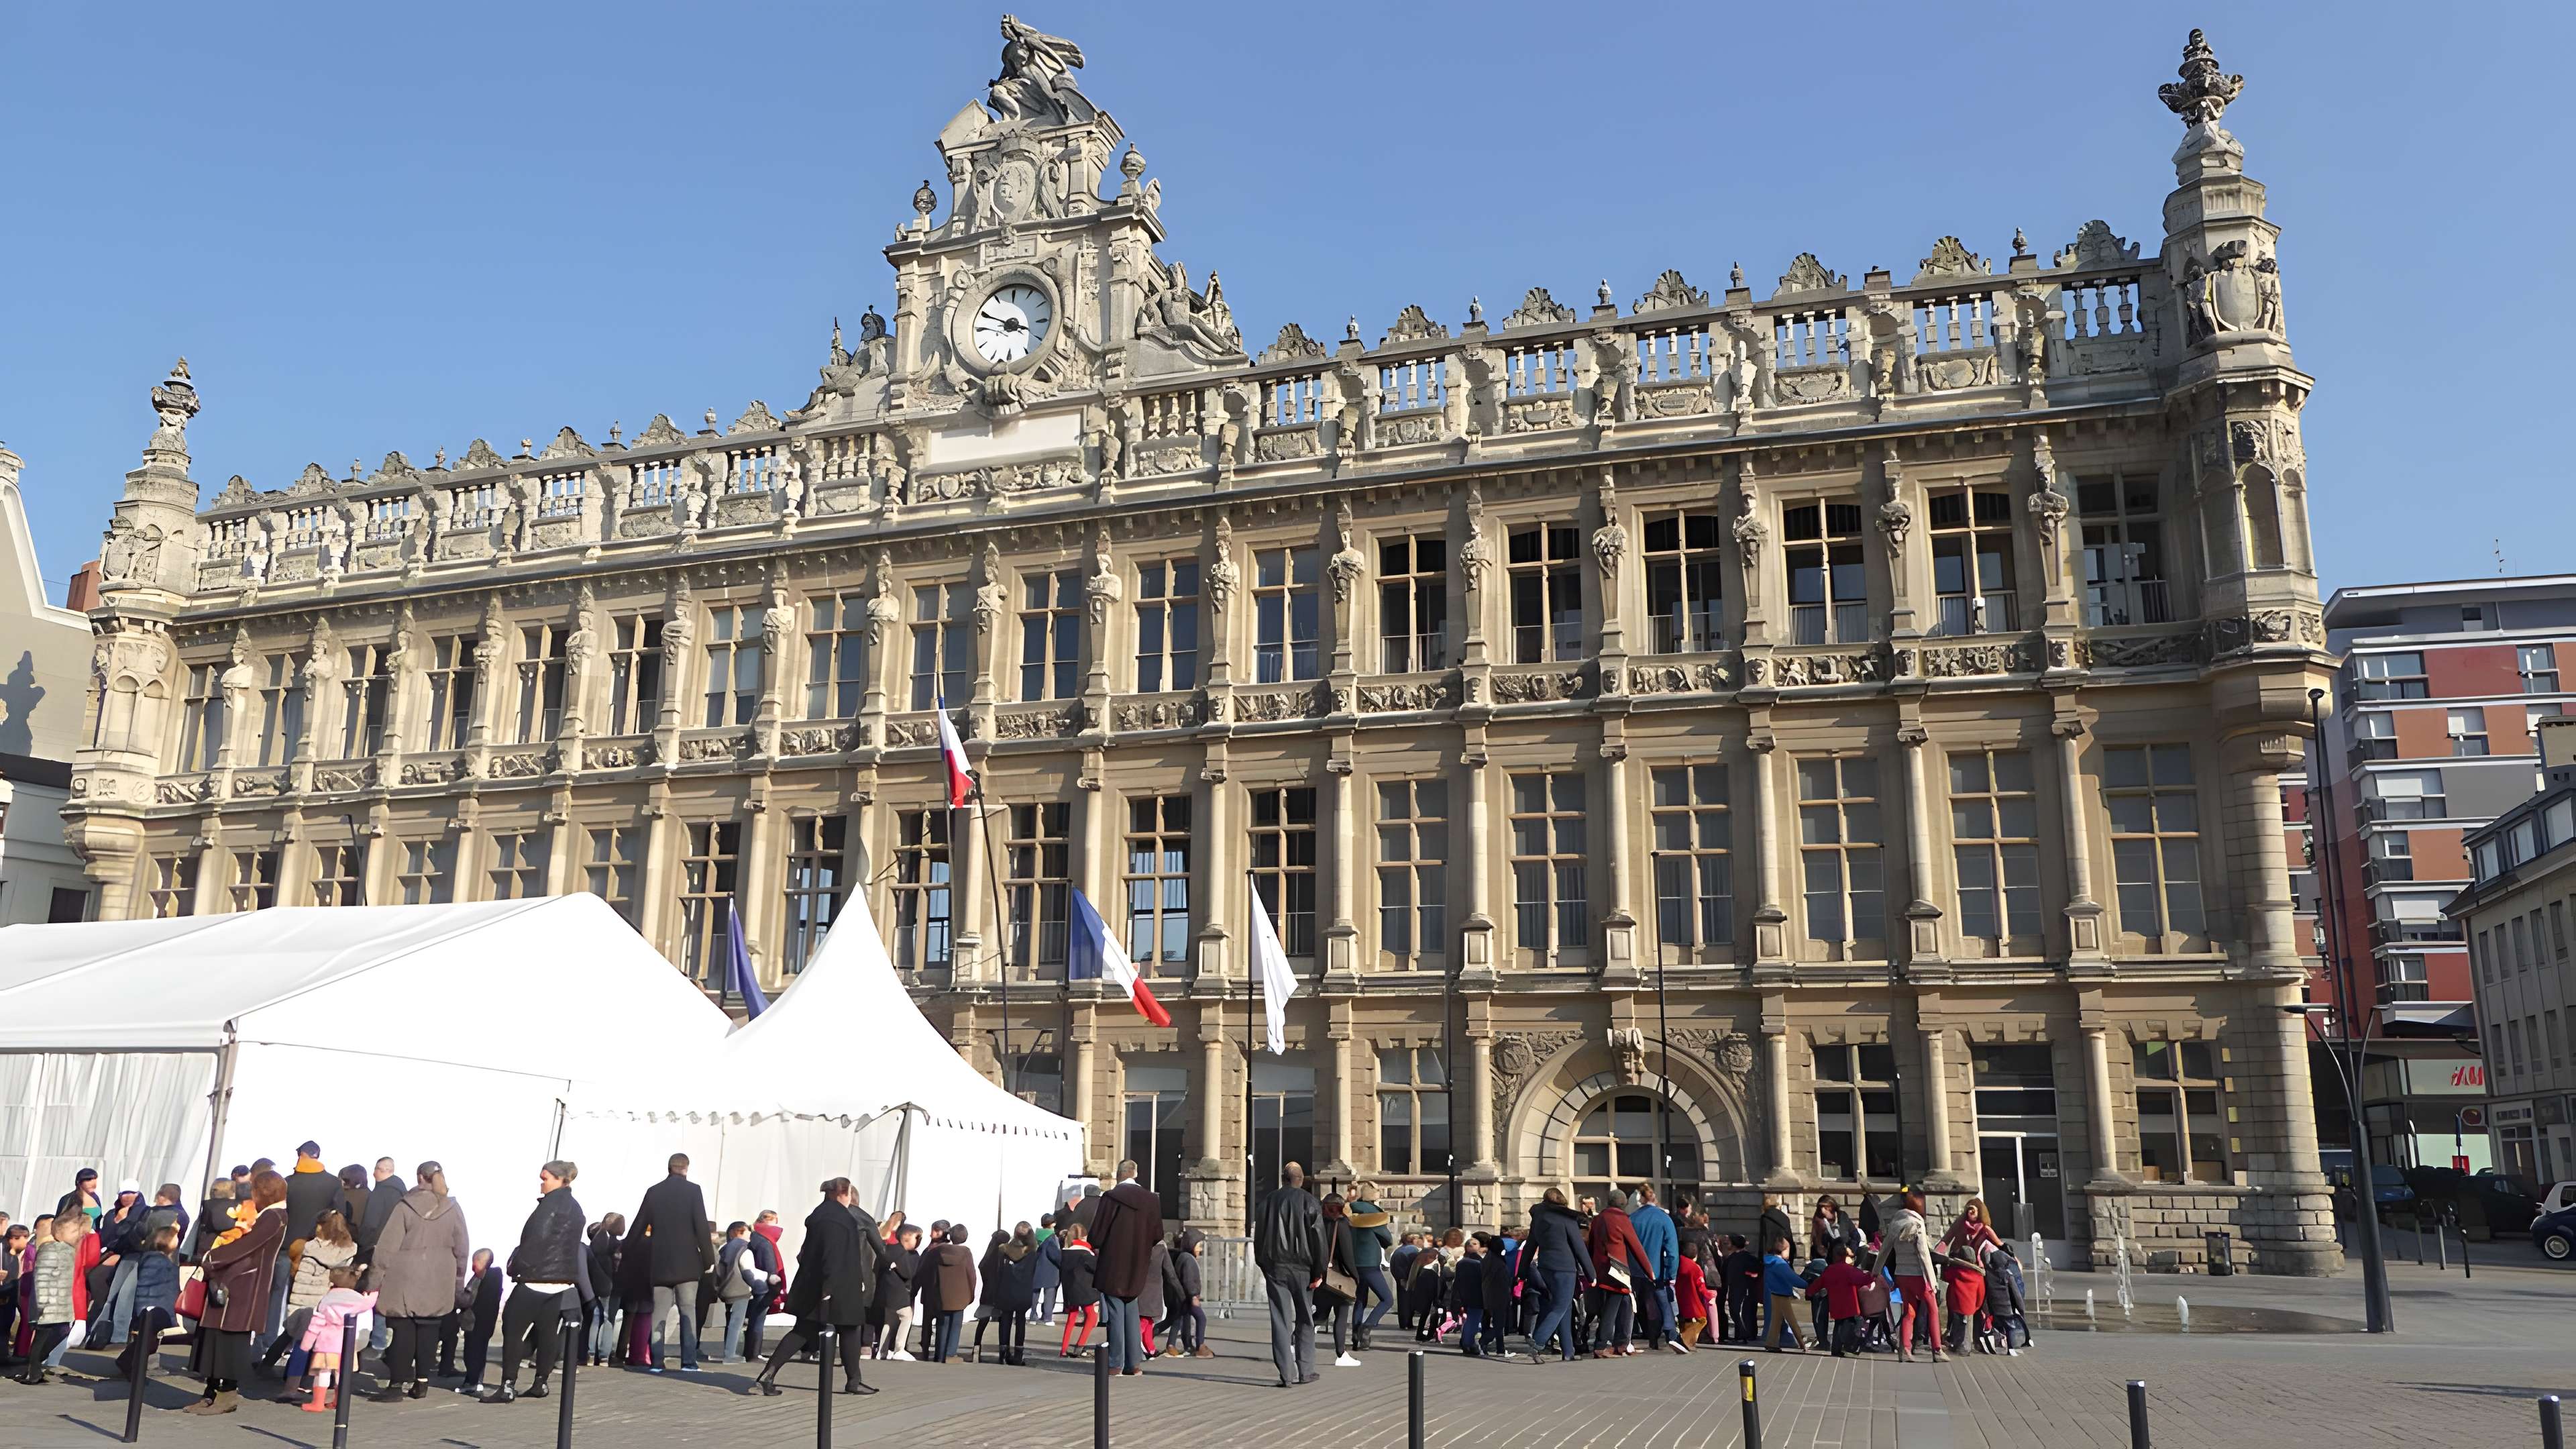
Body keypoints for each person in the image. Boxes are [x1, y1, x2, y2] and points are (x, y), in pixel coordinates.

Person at [753, 1178, 881, 1397]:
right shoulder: (840, 1219)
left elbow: (806, 1253)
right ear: (843, 1194)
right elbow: (833, 1254)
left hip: (815, 1284)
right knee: (850, 1329)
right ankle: (854, 1381)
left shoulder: (819, 1215)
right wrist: (829, 1287)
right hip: (839, 1285)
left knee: (803, 1330)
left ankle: (768, 1374)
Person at [480, 1159, 587, 1404]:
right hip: (560, 1282)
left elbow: (534, 1241)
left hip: (535, 1279)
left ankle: (508, 1385)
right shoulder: (576, 1208)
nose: (541, 1184)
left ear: (560, 1180)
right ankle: (541, 1383)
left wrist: (516, 1266)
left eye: (545, 1179)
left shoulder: (549, 1206)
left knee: (513, 1330)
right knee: (547, 1332)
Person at [187, 1167, 288, 1415]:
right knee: (214, 1337)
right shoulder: (267, 1215)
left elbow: (247, 1246)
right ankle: (211, 1392)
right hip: (231, 1281)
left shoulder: (274, 1216)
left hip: (243, 1285)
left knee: (230, 1342)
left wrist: (212, 1257)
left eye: (255, 1190)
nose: (251, 1195)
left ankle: (227, 1395)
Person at [371, 1161, 472, 1400]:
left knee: (403, 1330)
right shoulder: (453, 1207)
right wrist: (457, 1282)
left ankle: (396, 1385)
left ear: (419, 1177)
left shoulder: (405, 1206)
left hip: (404, 1277)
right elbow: (462, 1249)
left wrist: (374, 1279)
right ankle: (422, 1383)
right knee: (429, 1331)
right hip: (439, 1277)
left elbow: (386, 1248)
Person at [630, 1152, 716, 1374]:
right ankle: (688, 1362)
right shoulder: (693, 1191)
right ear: (686, 1168)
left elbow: (639, 1225)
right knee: (688, 1313)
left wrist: (627, 1250)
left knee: (659, 1314)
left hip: (660, 1265)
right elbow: (701, 1227)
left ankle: (656, 1363)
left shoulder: (654, 1191)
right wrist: (708, 1260)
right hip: (687, 1266)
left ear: (669, 1168)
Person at [1253, 1160, 1328, 1388]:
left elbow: (1259, 1237)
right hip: (1303, 1268)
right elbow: (1319, 1238)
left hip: (1276, 1267)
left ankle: (1286, 1374)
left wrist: (1263, 1264)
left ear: (1283, 1179)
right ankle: (1306, 1370)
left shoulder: (1268, 1201)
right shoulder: (1310, 1202)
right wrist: (1319, 1271)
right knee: (1305, 1318)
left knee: (1280, 1320)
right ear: (1301, 1180)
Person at [1088, 1158, 1164, 1378]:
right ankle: (1134, 1363)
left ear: (1118, 1174)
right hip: (1138, 1263)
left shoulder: (1111, 1198)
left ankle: (1116, 1363)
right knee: (1131, 1311)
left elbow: (1097, 1235)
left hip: (1114, 1264)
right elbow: (1157, 1234)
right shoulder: (1151, 1199)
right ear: (1136, 1174)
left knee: (1115, 1313)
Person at [262, 1206, 356, 1379]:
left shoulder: (311, 1248)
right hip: (327, 1301)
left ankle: (272, 1368)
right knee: (313, 1341)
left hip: (304, 1300)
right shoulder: (347, 1251)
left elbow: (301, 1279)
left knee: (292, 1335)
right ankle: (302, 1376)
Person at [292, 1267, 375, 1413]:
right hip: (348, 1345)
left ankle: (317, 1403)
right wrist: (375, 1291)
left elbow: (316, 1323)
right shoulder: (359, 1301)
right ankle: (339, 1402)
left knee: (322, 1374)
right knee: (341, 1375)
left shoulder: (327, 1300)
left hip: (326, 1345)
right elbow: (369, 1304)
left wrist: (306, 1344)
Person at [1882, 1187, 1947, 1363]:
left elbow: (1885, 1249)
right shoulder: (1917, 1224)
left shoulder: (1896, 1223)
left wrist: (1875, 1272)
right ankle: (1937, 1350)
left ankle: (1905, 1350)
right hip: (1919, 1275)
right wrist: (1932, 1280)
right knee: (1933, 1310)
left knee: (1909, 1312)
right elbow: (1923, 1254)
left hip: (1901, 1274)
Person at [1521, 1188, 1587, 1362]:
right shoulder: (1567, 1218)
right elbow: (1579, 1247)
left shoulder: (1539, 1218)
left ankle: (1568, 1351)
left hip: (1545, 1267)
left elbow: (1530, 1246)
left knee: (1565, 1308)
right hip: (1565, 1268)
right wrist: (1591, 1273)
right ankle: (1538, 1343)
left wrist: (1522, 1271)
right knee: (1560, 1307)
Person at [1584, 1189, 1650, 1358]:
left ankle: (1622, 1343)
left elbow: (1591, 1244)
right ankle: (1601, 1345)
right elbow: (1636, 1246)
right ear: (1624, 1203)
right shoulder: (1621, 1219)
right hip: (1617, 1270)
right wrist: (1650, 1272)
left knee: (1625, 1303)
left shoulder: (1598, 1219)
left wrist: (1590, 1268)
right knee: (1612, 1307)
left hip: (1601, 1268)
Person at [113, 1222, 182, 1383]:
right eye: (175, 1238)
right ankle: (132, 1368)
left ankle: (130, 1364)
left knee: (149, 1343)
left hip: (158, 1306)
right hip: (152, 1308)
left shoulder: (160, 1259)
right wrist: (145, 1310)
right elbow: (145, 1286)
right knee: (146, 1343)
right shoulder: (155, 1260)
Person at [1629, 1183, 1684, 1354]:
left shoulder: (1632, 1218)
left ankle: (1638, 1337)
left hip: (1633, 1270)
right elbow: (1672, 1251)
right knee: (1662, 1303)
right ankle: (1670, 1334)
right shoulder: (1664, 1219)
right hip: (1656, 1270)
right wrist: (1671, 1273)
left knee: (1636, 1305)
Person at [1344, 1181, 1396, 1350]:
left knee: (1361, 1300)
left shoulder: (1351, 1210)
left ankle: (1355, 1337)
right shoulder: (1373, 1214)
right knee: (1387, 1299)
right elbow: (1387, 1239)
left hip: (1354, 1263)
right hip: (1369, 1263)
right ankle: (1366, 1328)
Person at [445, 1248, 502, 1394]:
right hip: (487, 1321)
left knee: (471, 1353)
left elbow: (467, 1299)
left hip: (474, 1322)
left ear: (481, 1262)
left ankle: (471, 1382)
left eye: (474, 1262)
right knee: (481, 1353)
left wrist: (456, 1296)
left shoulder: (478, 1279)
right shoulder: (495, 1277)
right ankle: (478, 1381)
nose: (472, 1266)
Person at [1316, 1193, 1362, 1366]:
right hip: (1338, 1275)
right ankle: (1341, 1354)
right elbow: (1347, 1254)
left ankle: (1293, 1340)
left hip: (1322, 1274)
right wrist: (1355, 1276)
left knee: (1321, 1314)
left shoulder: (1320, 1223)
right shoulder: (1341, 1225)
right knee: (1341, 1314)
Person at [920, 1222, 976, 1363]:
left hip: (942, 1294)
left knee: (942, 1324)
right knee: (956, 1325)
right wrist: (971, 1295)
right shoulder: (966, 1253)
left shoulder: (937, 1252)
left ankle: (939, 1354)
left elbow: (927, 1272)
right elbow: (971, 1275)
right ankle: (950, 1354)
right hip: (961, 1295)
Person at [714, 1222, 768, 1366]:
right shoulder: (745, 1250)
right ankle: (730, 1355)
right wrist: (767, 1276)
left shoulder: (724, 1248)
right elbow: (748, 1271)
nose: (750, 1236)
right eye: (748, 1232)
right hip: (740, 1290)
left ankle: (729, 1352)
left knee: (730, 1322)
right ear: (739, 1232)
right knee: (736, 1324)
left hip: (726, 1289)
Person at [1811, 1243, 1874, 1357]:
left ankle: (1836, 1350)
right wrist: (1873, 1275)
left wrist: (1809, 1292)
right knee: (1851, 1325)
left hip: (1835, 1305)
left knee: (1838, 1325)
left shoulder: (1829, 1270)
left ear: (1834, 1256)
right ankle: (1849, 1347)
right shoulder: (1849, 1270)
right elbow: (1863, 1279)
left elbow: (1818, 1283)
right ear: (1845, 1256)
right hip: (1849, 1305)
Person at [874, 1223, 925, 1360]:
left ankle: (882, 1351)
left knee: (889, 1322)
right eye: (917, 1238)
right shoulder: (904, 1254)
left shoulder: (889, 1250)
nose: (919, 1242)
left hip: (886, 1293)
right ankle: (899, 1349)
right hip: (899, 1292)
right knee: (907, 1316)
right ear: (907, 1237)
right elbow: (908, 1273)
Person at [584, 1214, 625, 1366]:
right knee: (608, 1320)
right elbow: (619, 1267)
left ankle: (590, 1354)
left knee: (596, 1319)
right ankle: (604, 1356)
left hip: (596, 1286)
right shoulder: (617, 1245)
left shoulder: (596, 1243)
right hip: (613, 1286)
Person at [1162, 1229, 1208, 1359]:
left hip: (1183, 1297)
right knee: (1201, 1318)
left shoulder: (1185, 1257)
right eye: (1199, 1245)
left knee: (1179, 1320)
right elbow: (1189, 1280)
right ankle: (1200, 1346)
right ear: (1192, 1245)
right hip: (1187, 1297)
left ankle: (1181, 1345)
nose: (1200, 1249)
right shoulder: (1188, 1259)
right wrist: (1193, 1295)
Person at [1759, 1235, 1810, 1352]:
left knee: (1776, 1321)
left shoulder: (1769, 1261)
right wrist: (1807, 1285)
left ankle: (1772, 1343)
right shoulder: (1780, 1264)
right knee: (1792, 1321)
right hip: (1782, 1295)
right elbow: (1792, 1278)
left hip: (1774, 1293)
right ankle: (1802, 1344)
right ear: (1783, 1250)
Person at [1052, 1223, 1096, 1356]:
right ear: (1084, 1237)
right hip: (1084, 1290)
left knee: (1072, 1317)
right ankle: (1080, 1346)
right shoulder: (1086, 1253)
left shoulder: (1065, 1252)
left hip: (1069, 1290)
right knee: (1092, 1317)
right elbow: (1096, 1268)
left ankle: (1064, 1349)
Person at [1719, 1233, 1762, 1344]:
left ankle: (1742, 1335)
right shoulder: (1751, 1258)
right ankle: (1748, 1334)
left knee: (1736, 1312)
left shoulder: (1730, 1259)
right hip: (1749, 1289)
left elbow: (1724, 1275)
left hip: (1735, 1289)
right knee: (1748, 1312)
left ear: (1733, 1245)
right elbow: (1758, 1272)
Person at [1672, 1240, 1713, 1350]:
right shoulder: (1695, 1268)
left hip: (1679, 1300)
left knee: (1685, 1322)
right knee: (1702, 1320)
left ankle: (1683, 1339)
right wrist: (1709, 1295)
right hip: (1692, 1302)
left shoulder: (1677, 1263)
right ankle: (1685, 1342)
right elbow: (1701, 1286)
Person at [1811, 1194, 1863, 1263]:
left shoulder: (1842, 1217)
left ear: (1832, 1207)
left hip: (1847, 1259)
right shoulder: (1819, 1222)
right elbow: (1818, 1247)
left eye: (1826, 1208)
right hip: (1828, 1262)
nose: (1823, 1210)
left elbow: (1856, 1236)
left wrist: (1852, 1251)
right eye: (1821, 1208)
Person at [1389, 1232, 1422, 1333]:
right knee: (1409, 1301)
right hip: (1408, 1277)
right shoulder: (1413, 1250)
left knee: (1403, 1300)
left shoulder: (1399, 1250)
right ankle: (1408, 1323)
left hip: (1400, 1277)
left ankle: (1404, 1323)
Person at [1032, 1212, 1062, 1325]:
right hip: (1051, 1269)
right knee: (1049, 1294)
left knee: (1035, 1293)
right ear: (1053, 1224)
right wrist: (1062, 1262)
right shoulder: (1052, 1238)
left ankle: (1033, 1316)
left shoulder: (1035, 1235)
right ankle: (1047, 1318)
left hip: (1036, 1268)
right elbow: (1055, 1255)